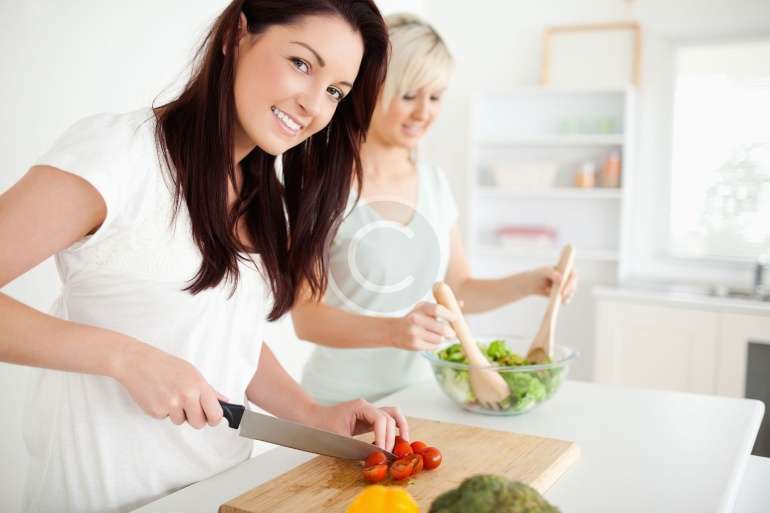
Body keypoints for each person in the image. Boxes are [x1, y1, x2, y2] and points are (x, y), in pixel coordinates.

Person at [0, 2, 408, 512]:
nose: (313, 105)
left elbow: (222, 332)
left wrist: (310, 413)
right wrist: (125, 357)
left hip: (221, 494)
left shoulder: (262, 193)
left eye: (334, 92)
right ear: (236, 36)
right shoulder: (118, 154)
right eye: (302, 63)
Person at [292, 13, 578, 404]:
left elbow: (459, 290)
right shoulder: (323, 185)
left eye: (436, 96)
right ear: (372, 88)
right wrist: (393, 332)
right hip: (339, 403)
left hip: (422, 401)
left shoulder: (434, 182)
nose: (423, 112)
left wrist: (532, 284)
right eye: (408, 95)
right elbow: (307, 317)